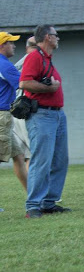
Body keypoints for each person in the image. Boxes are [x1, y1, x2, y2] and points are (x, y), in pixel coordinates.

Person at [20, 25, 71, 218]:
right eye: (56, 36)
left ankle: (48, 203)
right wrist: (49, 89)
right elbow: (24, 83)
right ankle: (33, 205)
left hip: (57, 115)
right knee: (42, 160)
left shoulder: (46, 59)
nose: (58, 39)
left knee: (59, 160)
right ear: (48, 37)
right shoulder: (34, 57)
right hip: (42, 116)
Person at [0, 32, 28, 192]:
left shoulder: (3, 63)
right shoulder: (3, 64)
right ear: (2, 45)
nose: (14, 45)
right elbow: (23, 83)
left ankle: (34, 198)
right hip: (2, 117)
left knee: (18, 157)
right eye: (11, 42)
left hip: (4, 117)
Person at [13, 36, 37, 170]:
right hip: (24, 111)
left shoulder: (19, 62)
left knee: (24, 156)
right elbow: (25, 84)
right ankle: (36, 189)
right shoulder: (31, 60)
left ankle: (31, 189)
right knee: (34, 153)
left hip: (15, 111)